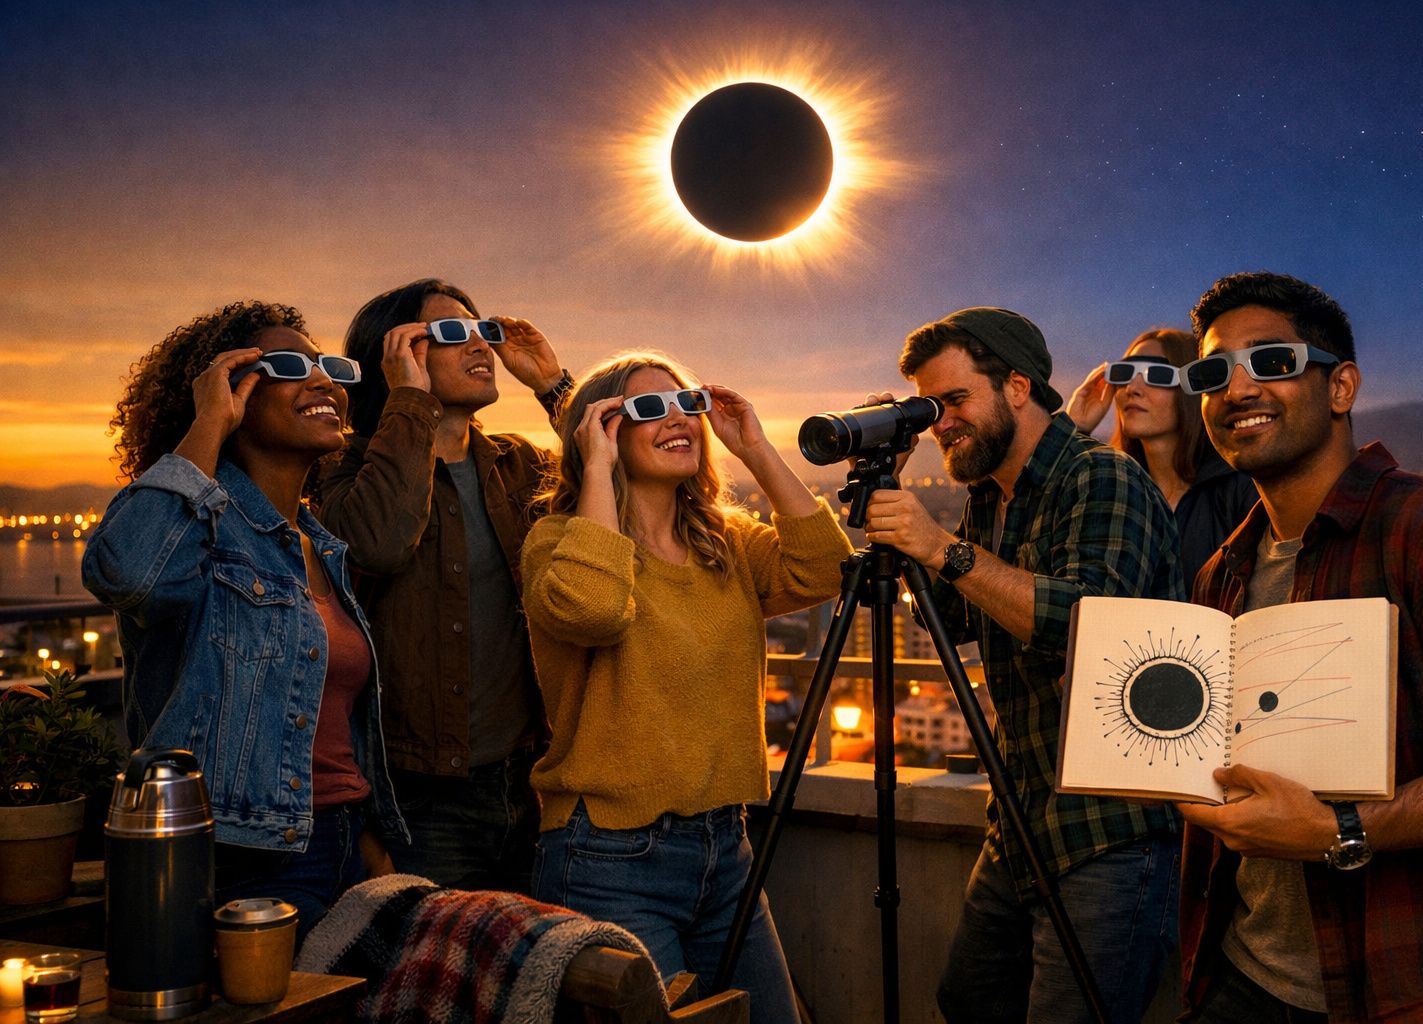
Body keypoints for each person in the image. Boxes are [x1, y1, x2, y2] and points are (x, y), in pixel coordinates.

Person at [1174, 272, 1423, 1022]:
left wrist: (1342, 832)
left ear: (1341, 387)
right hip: (1244, 973)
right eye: (1212, 373)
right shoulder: (1225, 573)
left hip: (1417, 985)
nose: (1236, 389)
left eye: (1271, 362)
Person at [863, 307, 1184, 1023]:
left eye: (953, 401)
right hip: (1020, 815)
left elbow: (1090, 624)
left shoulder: (1103, 479)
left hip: (1111, 829)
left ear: (1015, 386)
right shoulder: (990, 500)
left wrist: (942, 550)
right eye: (928, 408)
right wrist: (917, 545)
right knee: (970, 998)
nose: (940, 424)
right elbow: (956, 620)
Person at [520, 351, 852, 1023]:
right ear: (601, 430)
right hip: (608, 856)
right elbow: (595, 611)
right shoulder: (558, 542)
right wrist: (598, 472)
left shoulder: (723, 542)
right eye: (646, 410)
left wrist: (756, 448)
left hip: (726, 852)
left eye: (686, 405)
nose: (677, 420)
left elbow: (825, 570)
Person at [81, 301, 405, 939]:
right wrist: (208, 423)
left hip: (342, 847)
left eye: (329, 367)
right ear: (230, 389)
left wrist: (368, 846)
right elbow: (128, 573)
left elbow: (331, 729)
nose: (324, 383)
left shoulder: (322, 547)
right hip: (235, 861)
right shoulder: (202, 532)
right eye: (289, 366)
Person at [316, 278, 571, 892]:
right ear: (397, 355)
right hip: (419, 799)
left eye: (482, 329)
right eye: (452, 334)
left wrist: (552, 385)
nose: (480, 345)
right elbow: (378, 543)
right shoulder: (343, 469)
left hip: (528, 783)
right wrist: (409, 402)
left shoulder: (518, 464)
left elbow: (612, 473)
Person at [1066, 328, 1258, 584]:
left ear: (1193, 387)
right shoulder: (1114, 488)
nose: (1132, 388)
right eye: (1124, 374)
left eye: (1157, 375)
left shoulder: (1240, 485)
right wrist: (1074, 430)